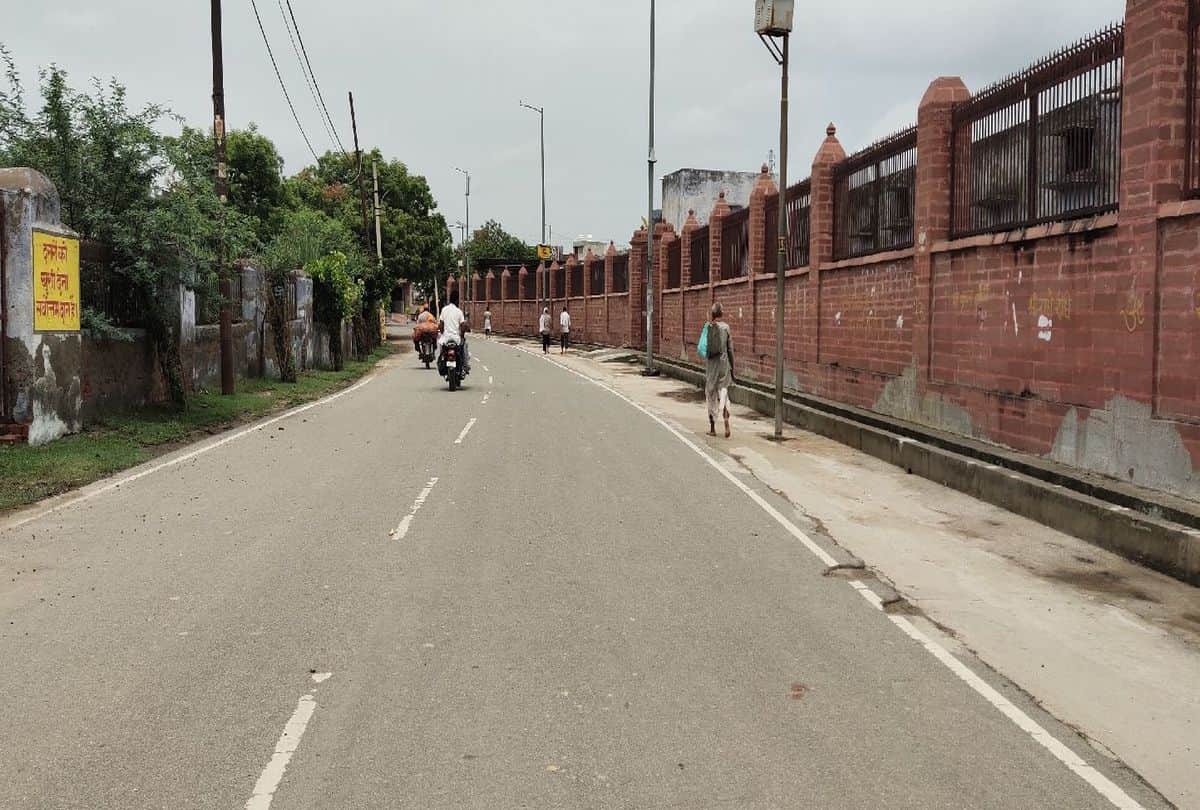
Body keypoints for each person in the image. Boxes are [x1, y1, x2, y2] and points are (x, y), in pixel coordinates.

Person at [704, 302, 735, 438]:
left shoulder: (708, 327)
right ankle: (726, 421)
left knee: (710, 395)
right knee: (724, 394)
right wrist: (732, 367)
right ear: (721, 314)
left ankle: (712, 428)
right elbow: (730, 349)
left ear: (712, 314)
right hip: (724, 365)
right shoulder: (726, 328)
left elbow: (703, 347)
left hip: (712, 366)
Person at [438, 289, 470, 372]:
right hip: (456, 339)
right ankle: (465, 366)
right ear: (457, 300)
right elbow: (463, 326)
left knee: (441, 349)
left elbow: (441, 325)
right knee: (464, 347)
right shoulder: (459, 311)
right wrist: (462, 336)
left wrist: (442, 333)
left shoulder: (444, 310)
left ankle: (441, 362)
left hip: (446, 338)